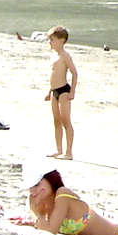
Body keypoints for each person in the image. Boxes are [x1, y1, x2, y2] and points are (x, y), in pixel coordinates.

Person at [44, 25, 78, 159]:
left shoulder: (65, 56)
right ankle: (58, 149)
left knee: (65, 121)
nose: (49, 42)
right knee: (56, 121)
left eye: (52, 40)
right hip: (54, 91)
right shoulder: (54, 55)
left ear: (61, 40)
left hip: (64, 91)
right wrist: (49, 91)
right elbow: (52, 75)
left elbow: (74, 73)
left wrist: (72, 92)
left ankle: (69, 152)